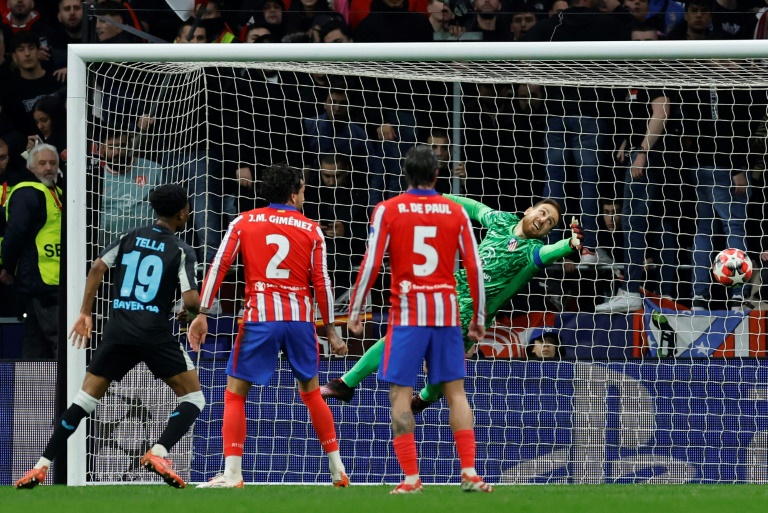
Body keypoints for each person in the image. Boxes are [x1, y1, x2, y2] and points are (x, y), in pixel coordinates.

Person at [323, 169, 583, 413]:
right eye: (543, 212)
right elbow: (472, 207)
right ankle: (352, 385)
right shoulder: (501, 221)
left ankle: (421, 396)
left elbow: (553, 251)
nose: (544, 220)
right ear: (529, 211)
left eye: (550, 222)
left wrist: (570, 244)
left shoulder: (531, 253)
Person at [15, 184, 205, 489]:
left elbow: (98, 267)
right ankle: (158, 451)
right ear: (183, 212)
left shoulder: (129, 237)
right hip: (154, 333)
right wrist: (195, 313)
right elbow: (193, 300)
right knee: (194, 398)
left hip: (118, 332)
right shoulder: (182, 249)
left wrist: (85, 312)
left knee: (84, 400)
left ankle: (41, 465)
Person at [188, 164, 350, 489]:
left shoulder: (244, 222)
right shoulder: (312, 229)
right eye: (303, 190)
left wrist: (202, 311)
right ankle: (338, 469)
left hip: (261, 317)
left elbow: (219, 264)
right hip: (300, 321)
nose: (304, 195)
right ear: (293, 194)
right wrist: (331, 329)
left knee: (235, 394)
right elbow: (322, 281)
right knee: (312, 393)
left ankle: (232, 474)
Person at [345, 145, 490, 493]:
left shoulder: (388, 209)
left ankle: (411, 478)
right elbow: (473, 265)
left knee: (400, 395)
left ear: (406, 176)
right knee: (456, 393)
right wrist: (479, 317)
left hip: (407, 316)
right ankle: (469, 472)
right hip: (446, 315)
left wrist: (355, 308)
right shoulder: (454, 211)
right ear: (437, 176)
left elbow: (372, 262)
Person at [595, 23, 678, 313]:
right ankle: (665, 295)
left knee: (636, 221)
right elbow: (640, 114)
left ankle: (631, 289)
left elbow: (661, 110)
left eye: (647, 40)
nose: (641, 47)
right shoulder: (634, 76)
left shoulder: (658, 73)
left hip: (652, 158)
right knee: (657, 224)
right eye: (636, 41)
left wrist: (642, 150)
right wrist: (628, 141)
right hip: (642, 153)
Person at [0, 144, 61, 359]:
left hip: (53, 281)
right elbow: (14, 234)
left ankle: (36, 391)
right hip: (39, 281)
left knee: (36, 346)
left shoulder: (59, 192)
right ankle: (59, 392)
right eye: (42, 163)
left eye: (53, 163)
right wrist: (8, 266)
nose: (48, 168)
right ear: (30, 166)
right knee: (55, 343)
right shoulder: (27, 192)